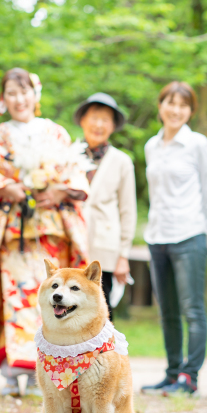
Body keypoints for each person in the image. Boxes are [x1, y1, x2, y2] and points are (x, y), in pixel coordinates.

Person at [0, 68, 90, 397]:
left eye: (24, 92)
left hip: (52, 232)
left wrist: (59, 191)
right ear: (2, 99)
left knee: (56, 300)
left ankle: (51, 372)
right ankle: (14, 370)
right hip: (14, 234)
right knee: (17, 298)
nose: (19, 99)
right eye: (11, 92)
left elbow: (74, 173)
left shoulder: (55, 133)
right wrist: (6, 187)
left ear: (35, 96)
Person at [139, 82, 207, 397]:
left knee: (192, 309)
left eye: (183, 105)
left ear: (190, 111)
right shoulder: (151, 146)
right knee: (167, 310)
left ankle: (190, 377)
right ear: (160, 106)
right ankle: (172, 373)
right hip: (158, 236)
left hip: (190, 235)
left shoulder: (198, 145)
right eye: (170, 103)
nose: (176, 110)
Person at [75, 93, 137, 321]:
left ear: (113, 126)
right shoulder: (68, 155)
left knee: (101, 314)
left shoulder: (122, 162)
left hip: (105, 249)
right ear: (83, 120)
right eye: (94, 118)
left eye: (105, 120)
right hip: (73, 244)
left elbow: (128, 211)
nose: (99, 125)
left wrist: (123, 255)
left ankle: (102, 358)